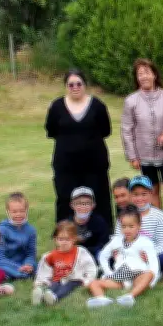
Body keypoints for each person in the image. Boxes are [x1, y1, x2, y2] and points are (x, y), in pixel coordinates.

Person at [121, 58, 163, 240]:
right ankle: (160, 230)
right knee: (152, 192)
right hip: (144, 155)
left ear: (154, 74)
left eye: (147, 72)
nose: (144, 76)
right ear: (136, 78)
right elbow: (126, 129)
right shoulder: (131, 101)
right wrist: (132, 155)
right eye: (140, 73)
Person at [45, 70, 113, 225]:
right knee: (65, 198)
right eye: (71, 84)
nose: (75, 87)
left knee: (99, 197)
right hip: (66, 165)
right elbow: (51, 130)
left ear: (85, 85)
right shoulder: (56, 107)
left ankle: (102, 234)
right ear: (66, 86)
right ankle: (65, 235)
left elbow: (106, 131)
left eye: (78, 84)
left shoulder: (97, 105)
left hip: (94, 165)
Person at [89, 206, 160, 308]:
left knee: (149, 275)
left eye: (131, 226)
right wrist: (109, 272)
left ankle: (130, 296)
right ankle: (101, 299)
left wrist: (152, 281)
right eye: (124, 226)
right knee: (93, 283)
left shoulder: (145, 242)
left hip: (137, 276)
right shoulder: (116, 241)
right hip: (120, 277)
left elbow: (154, 264)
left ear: (139, 226)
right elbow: (103, 256)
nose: (127, 230)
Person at [113, 176, 163, 273]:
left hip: (151, 254)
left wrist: (149, 254)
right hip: (129, 253)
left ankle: (139, 270)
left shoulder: (159, 215)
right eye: (136, 194)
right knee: (110, 255)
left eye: (144, 194)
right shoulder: (124, 215)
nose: (140, 198)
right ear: (130, 195)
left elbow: (162, 244)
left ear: (151, 194)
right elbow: (118, 240)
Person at [32, 221, 97, 306]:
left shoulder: (81, 252)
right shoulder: (51, 255)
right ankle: (42, 295)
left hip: (74, 279)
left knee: (67, 287)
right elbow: (44, 270)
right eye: (61, 239)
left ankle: (55, 298)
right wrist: (40, 282)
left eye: (67, 239)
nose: (64, 242)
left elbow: (90, 267)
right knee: (53, 285)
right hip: (57, 279)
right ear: (55, 239)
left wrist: (88, 280)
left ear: (74, 239)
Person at [0, 192, 37, 280]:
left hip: (22, 262)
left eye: (22, 211)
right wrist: (18, 267)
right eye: (14, 212)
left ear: (27, 210)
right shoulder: (1, 230)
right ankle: (21, 275)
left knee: (37, 264)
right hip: (4, 262)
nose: (18, 214)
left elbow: (31, 253)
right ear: (8, 212)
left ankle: (10, 275)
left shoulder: (31, 230)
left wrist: (28, 264)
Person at [69, 186, 110, 259]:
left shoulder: (100, 222)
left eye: (87, 203)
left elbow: (104, 244)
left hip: (93, 255)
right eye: (79, 203)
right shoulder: (67, 224)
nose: (83, 207)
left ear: (93, 205)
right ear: (72, 205)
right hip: (72, 256)